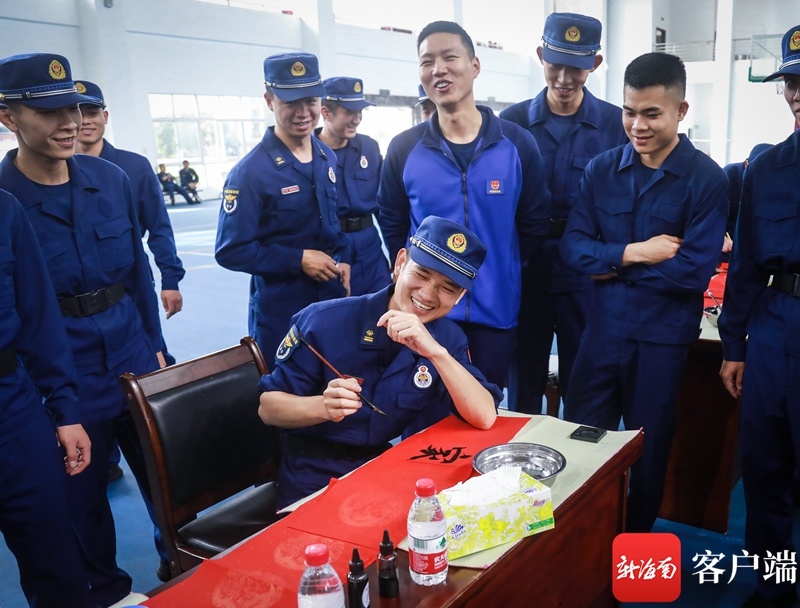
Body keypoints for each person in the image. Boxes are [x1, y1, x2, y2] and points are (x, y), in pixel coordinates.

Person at [0, 52, 165, 606]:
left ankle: (178, 561)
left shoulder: (110, 179)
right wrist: (52, 396)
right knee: (82, 495)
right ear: (8, 117)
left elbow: (138, 273)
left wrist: (156, 347)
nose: (70, 122)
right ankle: (110, 590)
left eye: (73, 108)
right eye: (49, 112)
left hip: (131, 351)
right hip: (63, 368)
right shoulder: (6, 203)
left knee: (165, 472)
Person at [559, 52, 727, 533]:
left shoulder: (706, 179)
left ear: (681, 110)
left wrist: (609, 266)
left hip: (661, 340)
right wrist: (634, 253)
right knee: (580, 442)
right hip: (601, 334)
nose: (638, 125)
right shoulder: (601, 170)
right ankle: (582, 544)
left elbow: (692, 272)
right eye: (629, 112)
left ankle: (631, 543)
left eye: (652, 113)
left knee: (647, 452)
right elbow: (573, 249)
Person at [259, 216, 502, 508]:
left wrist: (436, 353)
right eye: (421, 273)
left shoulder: (446, 338)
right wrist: (322, 406)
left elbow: (484, 415)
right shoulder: (324, 321)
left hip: (382, 470)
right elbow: (267, 408)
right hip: (313, 475)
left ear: (460, 296)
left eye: (447, 288)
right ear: (400, 263)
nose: (427, 294)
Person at [378, 20, 551, 391]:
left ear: (474, 66)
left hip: (495, 313)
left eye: (449, 57)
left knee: (485, 408)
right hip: (425, 313)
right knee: (419, 412)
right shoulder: (404, 148)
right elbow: (393, 224)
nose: (438, 69)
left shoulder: (517, 144)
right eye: (427, 62)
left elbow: (533, 224)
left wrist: (500, 271)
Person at [74, 78, 183, 577]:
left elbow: (147, 248)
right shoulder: (16, 192)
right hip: (72, 357)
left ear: (105, 115)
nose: (80, 120)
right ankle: (103, 584)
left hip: (128, 335)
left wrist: (169, 284)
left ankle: (175, 554)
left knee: (158, 460)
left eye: (91, 110)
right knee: (83, 477)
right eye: (72, 111)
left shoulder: (128, 171)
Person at [500, 12, 628, 413]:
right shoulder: (510, 124)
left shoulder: (616, 125)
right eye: (555, 64)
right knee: (523, 383)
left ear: (595, 63)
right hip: (527, 270)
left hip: (586, 274)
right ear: (541, 56)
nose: (564, 78)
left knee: (584, 385)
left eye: (576, 67)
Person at [719, 24, 800, 608]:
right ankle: (776, 587)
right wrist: (734, 345)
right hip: (774, 327)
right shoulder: (766, 169)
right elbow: (745, 262)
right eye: (790, 82)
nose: (796, 93)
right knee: (766, 469)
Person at [215, 52, 351, 361]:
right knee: (286, 385)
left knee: (335, 377)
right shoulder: (250, 173)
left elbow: (333, 223)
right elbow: (230, 250)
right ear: (269, 100)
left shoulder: (326, 157)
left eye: (310, 101)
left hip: (329, 299)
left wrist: (344, 258)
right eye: (291, 102)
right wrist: (298, 259)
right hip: (281, 309)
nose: (303, 113)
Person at [0, 191, 94, 607]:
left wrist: (65, 410)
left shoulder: (4, 209)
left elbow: (38, 316)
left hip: (12, 411)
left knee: (55, 562)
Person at [315, 76, 391, 296]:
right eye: (349, 112)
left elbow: (384, 208)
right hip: (330, 258)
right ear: (326, 113)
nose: (357, 119)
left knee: (384, 310)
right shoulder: (308, 153)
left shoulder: (369, 147)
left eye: (360, 111)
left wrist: (396, 254)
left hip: (371, 253)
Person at [721, 142, 771, 259]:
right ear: (746, 164)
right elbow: (712, 215)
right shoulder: (728, 176)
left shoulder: (774, 182)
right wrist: (719, 237)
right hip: (726, 242)